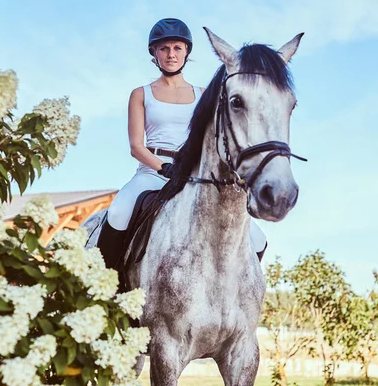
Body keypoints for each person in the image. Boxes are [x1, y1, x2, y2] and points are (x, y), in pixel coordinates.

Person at [96, 18, 268, 271]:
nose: (171, 54)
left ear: (186, 51)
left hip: (195, 176)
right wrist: (165, 168)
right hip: (153, 174)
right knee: (119, 213)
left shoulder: (203, 94)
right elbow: (136, 146)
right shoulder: (140, 93)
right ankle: (106, 287)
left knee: (257, 239)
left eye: (177, 48)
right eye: (164, 48)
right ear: (154, 53)